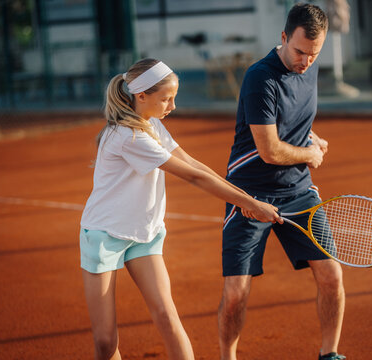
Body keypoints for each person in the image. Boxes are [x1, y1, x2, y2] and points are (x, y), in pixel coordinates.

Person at [79, 58, 281, 360]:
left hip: (144, 234)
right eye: (166, 99)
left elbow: (194, 163)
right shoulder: (128, 136)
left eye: (174, 97)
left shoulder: (153, 125)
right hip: (104, 236)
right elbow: (192, 176)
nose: (172, 105)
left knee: (166, 315)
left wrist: (247, 199)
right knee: (106, 341)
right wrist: (250, 204)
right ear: (141, 96)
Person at [218, 3, 346, 360]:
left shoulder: (309, 64)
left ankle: (329, 354)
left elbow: (290, 118)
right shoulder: (260, 77)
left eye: (314, 54)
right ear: (284, 37)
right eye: (300, 51)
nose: (306, 61)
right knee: (235, 294)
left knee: (331, 276)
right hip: (250, 194)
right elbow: (270, 150)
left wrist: (312, 137)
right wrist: (310, 155)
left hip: (298, 191)